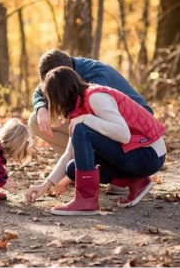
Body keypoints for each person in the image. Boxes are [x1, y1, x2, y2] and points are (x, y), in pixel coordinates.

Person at [25, 67, 167, 215]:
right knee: (72, 168)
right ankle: (135, 181)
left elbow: (124, 134)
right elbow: (68, 154)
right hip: (133, 153)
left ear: (61, 94)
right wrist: (45, 185)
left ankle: (86, 200)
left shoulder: (96, 97)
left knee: (81, 129)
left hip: (150, 155)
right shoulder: (78, 108)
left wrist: (87, 119)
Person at [28, 48, 151, 161]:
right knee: (35, 121)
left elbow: (100, 117)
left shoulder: (97, 76)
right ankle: (79, 163)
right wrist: (41, 108)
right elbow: (39, 92)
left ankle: (107, 168)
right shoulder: (62, 70)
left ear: (65, 73)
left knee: (81, 122)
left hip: (135, 130)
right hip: (106, 123)